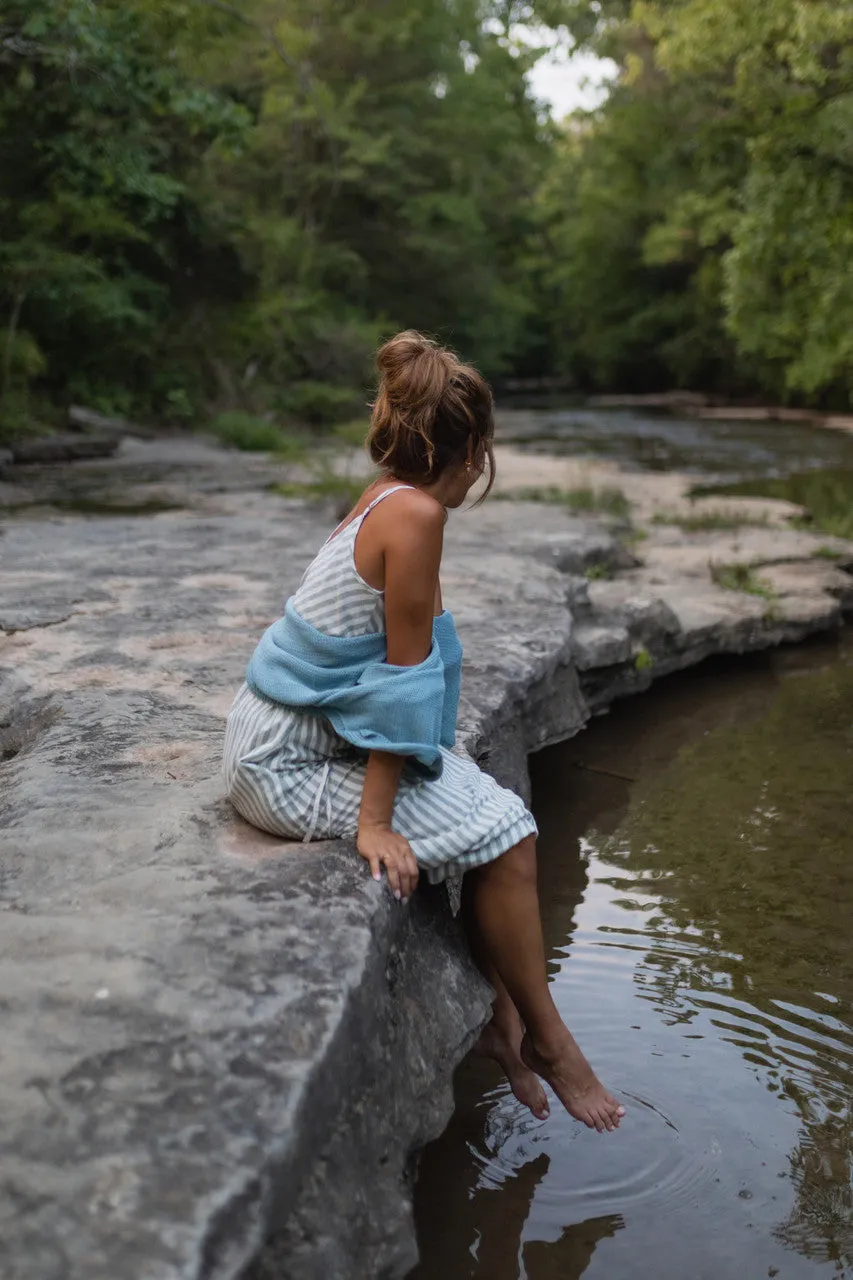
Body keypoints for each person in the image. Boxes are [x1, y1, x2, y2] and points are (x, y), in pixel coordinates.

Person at [223, 331, 624, 1132]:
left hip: (288, 730)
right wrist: (375, 822)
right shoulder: (412, 517)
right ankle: (548, 1040)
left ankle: (502, 1020)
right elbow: (401, 686)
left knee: (485, 811)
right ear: (472, 450)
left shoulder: (389, 497)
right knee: (507, 834)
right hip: (283, 761)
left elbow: (403, 657)